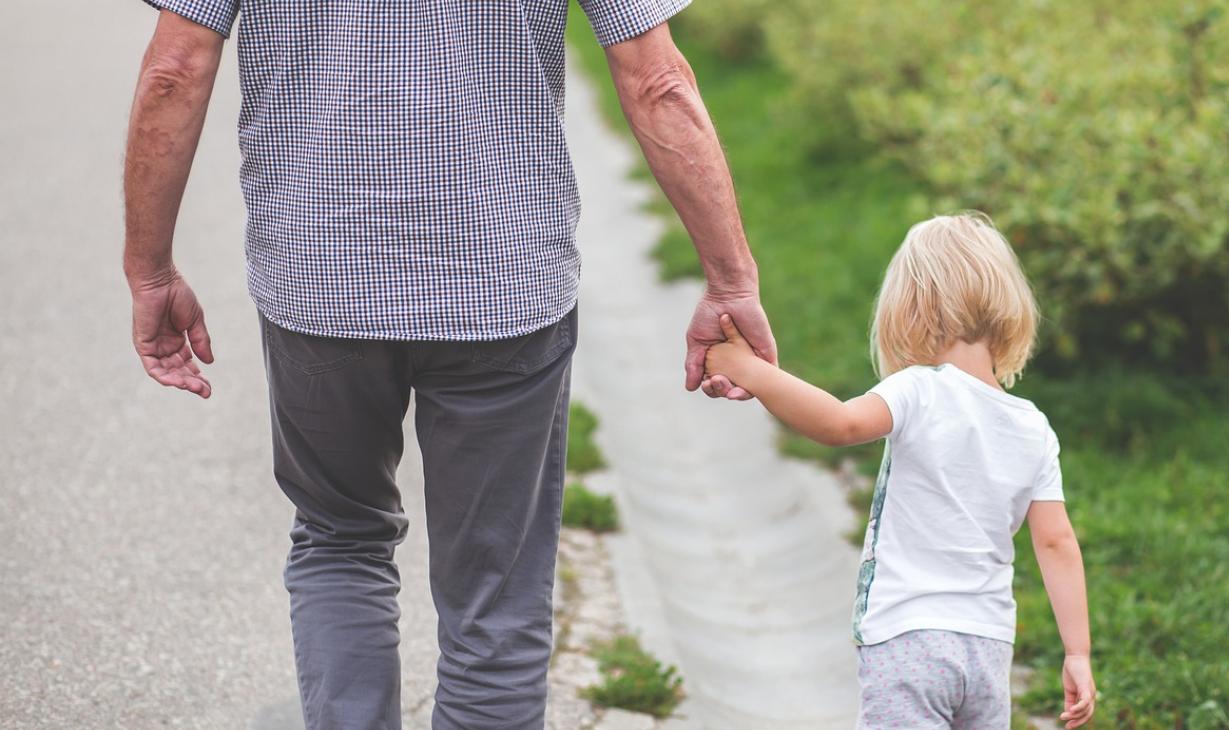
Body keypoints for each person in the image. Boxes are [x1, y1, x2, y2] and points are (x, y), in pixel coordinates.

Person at [121, 1, 774, 727]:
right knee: (497, 594)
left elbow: (173, 72)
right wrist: (730, 280)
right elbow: (658, 81)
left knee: (340, 541)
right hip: (503, 284)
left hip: (322, 281)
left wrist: (150, 272)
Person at [704, 213, 1096, 729]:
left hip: (908, 638)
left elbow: (839, 424)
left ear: (912, 309)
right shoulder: (1032, 426)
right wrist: (1078, 653)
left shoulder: (918, 388)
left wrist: (749, 369)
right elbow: (1056, 543)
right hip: (988, 648)